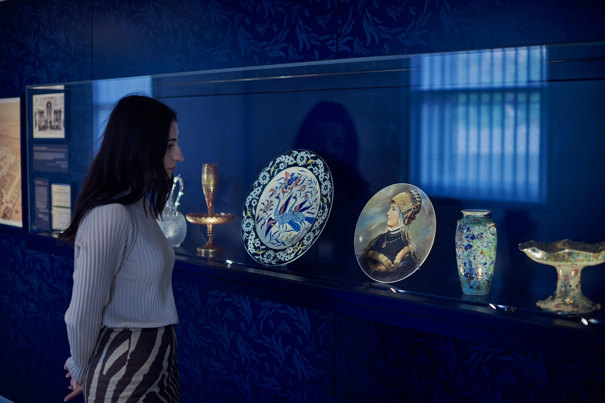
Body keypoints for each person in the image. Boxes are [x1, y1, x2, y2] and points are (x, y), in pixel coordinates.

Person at [60, 95, 184, 402]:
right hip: (128, 365)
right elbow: (83, 311)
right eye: (169, 145)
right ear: (141, 146)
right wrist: (80, 367)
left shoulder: (140, 207)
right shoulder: (111, 214)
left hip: (159, 359)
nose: (179, 155)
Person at [359, 188, 422, 282]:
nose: (388, 213)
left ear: (403, 215)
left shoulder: (406, 251)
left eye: (393, 209)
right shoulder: (379, 239)